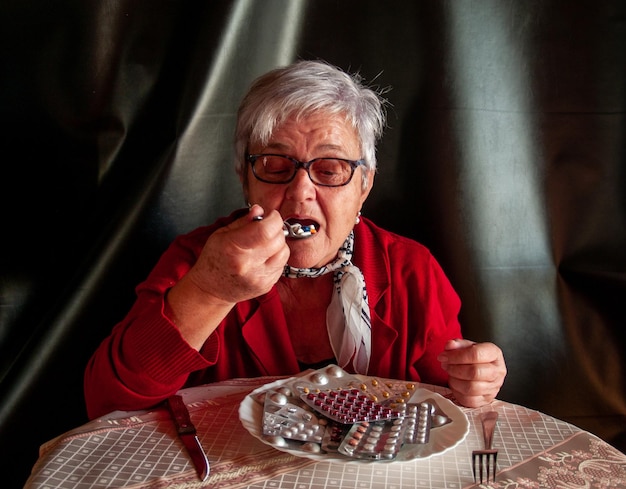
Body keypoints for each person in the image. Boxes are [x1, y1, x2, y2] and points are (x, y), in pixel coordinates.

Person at [84, 60, 507, 419]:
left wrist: (474, 380)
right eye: (274, 163)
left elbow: (442, 410)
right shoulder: (198, 260)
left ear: (364, 185)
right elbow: (108, 401)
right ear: (244, 178)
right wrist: (208, 290)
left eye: (329, 169)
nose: (300, 191)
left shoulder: (411, 270)